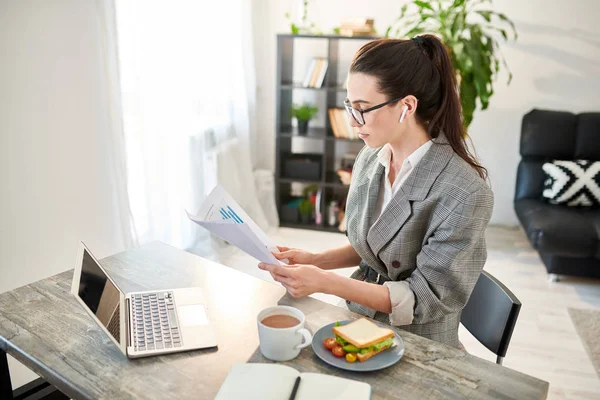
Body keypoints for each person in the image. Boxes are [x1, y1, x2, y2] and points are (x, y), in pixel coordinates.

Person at [259, 34, 494, 348]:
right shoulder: (371, 158)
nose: (353, 122)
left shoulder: (465, 193)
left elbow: (425, 299)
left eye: (362, 108)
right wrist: (316, 260)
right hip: (360, 320)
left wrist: (327, 283)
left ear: (406, 106)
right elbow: (376, 247)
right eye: (350, 107)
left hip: (419, 341)